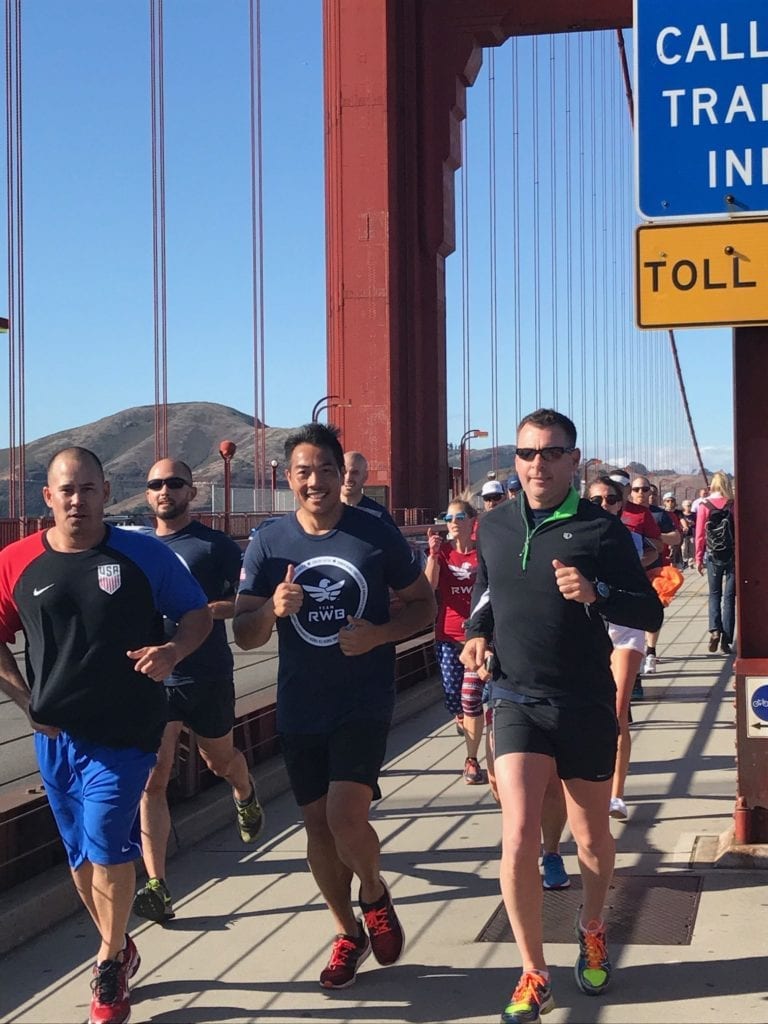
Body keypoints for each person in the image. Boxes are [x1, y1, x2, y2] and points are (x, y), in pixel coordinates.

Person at [460, 409, 663, 1024]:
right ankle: (532, 971)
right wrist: (476, 632)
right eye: (526, 453)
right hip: (516, 698)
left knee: (592, 837)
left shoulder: (601, 531)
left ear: (575, 460)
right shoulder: (493, 527)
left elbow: (649, 612)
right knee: (518, 835)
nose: (537, 464)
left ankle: (593, 925)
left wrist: (597, 594)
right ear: (514, 460)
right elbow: (487, 594)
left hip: (584, 701)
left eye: (551, 453)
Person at [0, 447, 212, 1024]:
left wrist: (173, 650)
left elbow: (197, 615)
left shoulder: (143, 554)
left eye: (88, 489)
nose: (77, 500)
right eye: (66, 490)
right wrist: (25, 700)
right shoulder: (16, 562)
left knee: (105, 839)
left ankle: (110, 959)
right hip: (54, 737)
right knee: (79, 854)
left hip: (126, 731)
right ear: (47, 498)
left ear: (106, 491)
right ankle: (119, 943)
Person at [233, 423, 436, 990]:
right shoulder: (269, 542)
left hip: (363, 699)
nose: (315, 481)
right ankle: (347, 931)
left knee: (346, 816)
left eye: (325, 469)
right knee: (317, 829)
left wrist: (378, 635)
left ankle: (374, 892)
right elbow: (245, 635)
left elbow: (424, 605)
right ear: (288, 479)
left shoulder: (374, 535)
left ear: (340, 474)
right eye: (304, 471)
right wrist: (273, 608)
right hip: (301, 702)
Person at [133, 459, 265, 925]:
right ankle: (157, 883)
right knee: (154, 777)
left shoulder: (215, 546)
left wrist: (209, 610)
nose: (164, 490)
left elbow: (248, 601)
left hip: (206, 673)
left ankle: (245, 790)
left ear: (191, 491)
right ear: (146, 495)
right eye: (155, 484)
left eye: (173, 483)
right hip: (154, 677)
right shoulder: (135, 548)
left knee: (219, 761)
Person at [588, 476, 648, 822]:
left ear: (621, 503)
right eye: (596, 501)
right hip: (588, 629)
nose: (605, 505)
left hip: (624, 629)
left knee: (616, 710)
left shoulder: (631, 539)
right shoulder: (572, 537)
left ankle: (616, 794)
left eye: (612, 499)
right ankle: (591, 782)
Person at [425, 499, 486, 784]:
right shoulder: (444, 553)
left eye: (460, 516)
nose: (453, 522)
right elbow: (429, 587)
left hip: (476, 637)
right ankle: (462, 718)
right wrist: (433, 556)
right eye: (448, 517)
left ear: (472, 521)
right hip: (447, 635)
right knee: (453, 697)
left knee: (470, 697)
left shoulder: (482, 553)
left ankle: (471, 760)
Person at [630, 475, 680, 675]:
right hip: (628, 573)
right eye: (636, 489)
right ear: (629, 491)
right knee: (631, 616)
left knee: (653, 611)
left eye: (644, 489)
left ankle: (650, 652)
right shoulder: (621, 512)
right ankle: (636, 653)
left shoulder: (659, 515)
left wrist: (653, 537)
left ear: (651, 492)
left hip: (655, 570)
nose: (640, 493)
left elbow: (676, 537)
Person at [695, 471, 735, 655]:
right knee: (729, 599)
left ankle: (714, 630)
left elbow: (700, 535)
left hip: (713, 555)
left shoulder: (704, 505)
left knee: (714, 595)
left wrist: (698, 558)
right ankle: (727, 641)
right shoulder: (733, 504)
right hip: (732, 555)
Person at [341, 450, 397, 527]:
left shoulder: (379, 516)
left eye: (354, 473)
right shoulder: (324, 513)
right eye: (344, 472)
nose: (348, 478)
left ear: (365, 476)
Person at [680, 499, 696, 568]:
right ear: (683, 506)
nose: (689, 507)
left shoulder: (694, 514)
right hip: (684, 534)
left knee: (692, 548)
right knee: (684, 548)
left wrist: (693, 523)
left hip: (691, 533)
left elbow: (697, 523)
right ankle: (685, 560)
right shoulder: (681, 515)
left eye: (690, 505)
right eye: (687, 505)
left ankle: (691, 563)